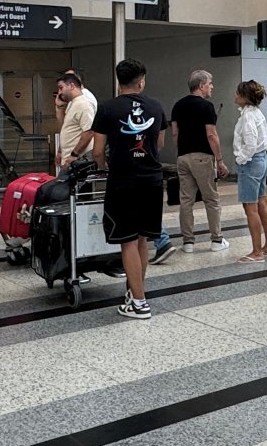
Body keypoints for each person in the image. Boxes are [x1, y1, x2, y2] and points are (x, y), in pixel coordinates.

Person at [91, 59, 168, 319]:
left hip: (123, 181)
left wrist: (103, 167)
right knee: (143, 239)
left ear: (118, 81)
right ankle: (135, 293)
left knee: (127, 241)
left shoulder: (107, 108)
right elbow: (160, 140)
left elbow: (98, 150)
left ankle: (138, 302)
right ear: (141, 81)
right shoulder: (156, 106)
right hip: (152, 180)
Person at [170, 69, 229, 254]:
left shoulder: (178, 105)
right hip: (202, 156)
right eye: (210, 83)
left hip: (183, 157)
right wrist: (219, 160)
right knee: (211, 199)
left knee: (186, 201)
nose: (212, 87)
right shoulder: (206, 106)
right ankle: (216, 241)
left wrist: (181, 151)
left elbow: (174, 132)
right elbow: (211, 134)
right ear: (202, 85)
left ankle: (188, 242)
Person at [232, 80, 267, 262]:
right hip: (262, 160)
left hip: (251, 163)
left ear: (244, 97)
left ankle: (257, 252)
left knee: (250, 208)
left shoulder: (248, 117)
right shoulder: (257, 113)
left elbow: (250, 143)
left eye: (237, 93)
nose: (235, 96)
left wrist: (240, 159)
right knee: (261, 202)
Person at [53, 70, 97, 170]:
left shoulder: (84, 102)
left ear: (72, 85)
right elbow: (67, 127)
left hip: (78, 162)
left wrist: (74, 155)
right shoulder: (73, 102)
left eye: (61, 88)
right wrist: (61, 151)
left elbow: (89, 132)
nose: (59, 93)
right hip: (70, 159)